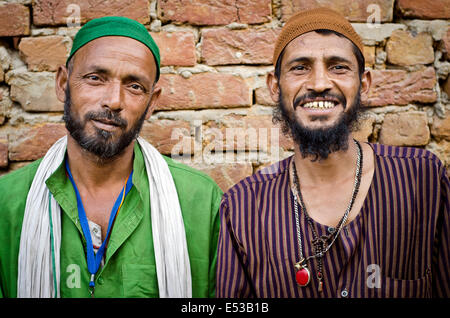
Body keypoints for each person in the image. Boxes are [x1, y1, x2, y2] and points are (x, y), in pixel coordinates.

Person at [216, 7, 449, 298]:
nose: (319, 84)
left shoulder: (422, 181)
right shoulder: (242, 209)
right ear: (275, 87)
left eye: (338, 66)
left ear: (364, 83)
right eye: (300, 67)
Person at [0, 16, 222, 298]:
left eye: (134, 86)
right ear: (63, 84)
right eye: (95, 78)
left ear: (151, 103)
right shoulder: (6, 204)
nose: (114, 101)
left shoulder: (200, 203)